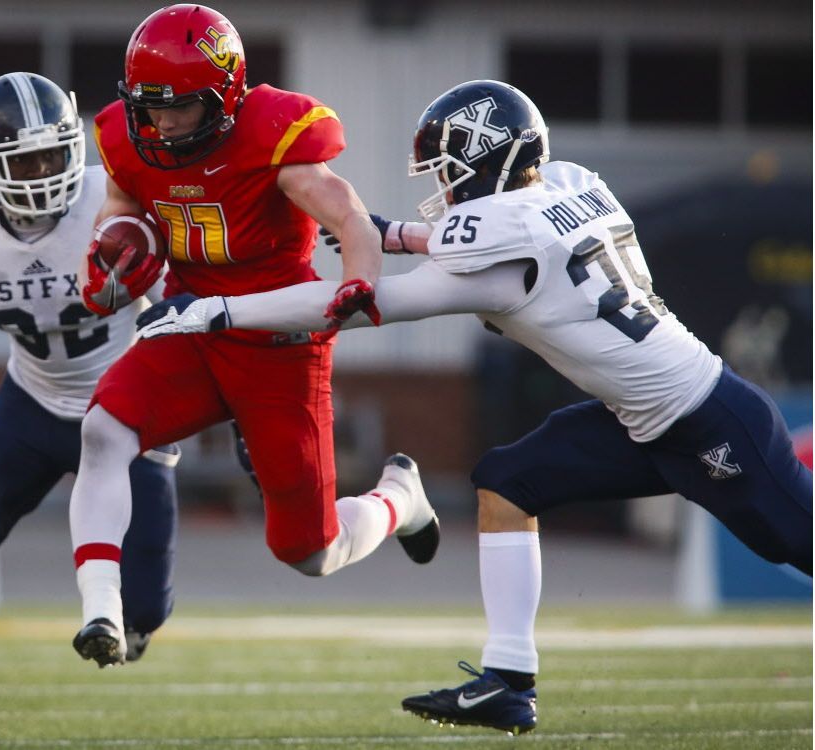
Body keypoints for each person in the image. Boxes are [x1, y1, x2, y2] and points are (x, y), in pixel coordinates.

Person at [134, 79, 814, 735]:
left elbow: (363, 302)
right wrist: (397, 233)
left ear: (490, 162)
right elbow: (513, 241)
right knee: (507, 482)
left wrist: (216, 310)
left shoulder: (498, 237)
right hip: (643, 416)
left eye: (451, 171)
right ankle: (509, 684)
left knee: (801, 543)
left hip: (709, 420)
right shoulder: (570, 184)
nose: (446, 190)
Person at [69, 3, 440, 667]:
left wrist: (358, 282)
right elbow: (119, 208)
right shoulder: (129, 139)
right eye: (149, 104)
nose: (162, 121)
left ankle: (397, 498)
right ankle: (102, 610)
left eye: (180, 104)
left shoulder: (276, 136)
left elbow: (350, 218)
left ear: (227, 96)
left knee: (310, 552)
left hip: (276, 342)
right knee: (103, 429)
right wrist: (102, 259)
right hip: (188, 322)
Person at [0, 73, 180, 750]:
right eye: (24, 161)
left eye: (54, 155)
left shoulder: (112, 200)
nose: (43, 173)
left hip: (127, 412)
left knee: (145, 610)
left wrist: (187, 425)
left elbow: (174, 315)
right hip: (31, 406)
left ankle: (131, 618)